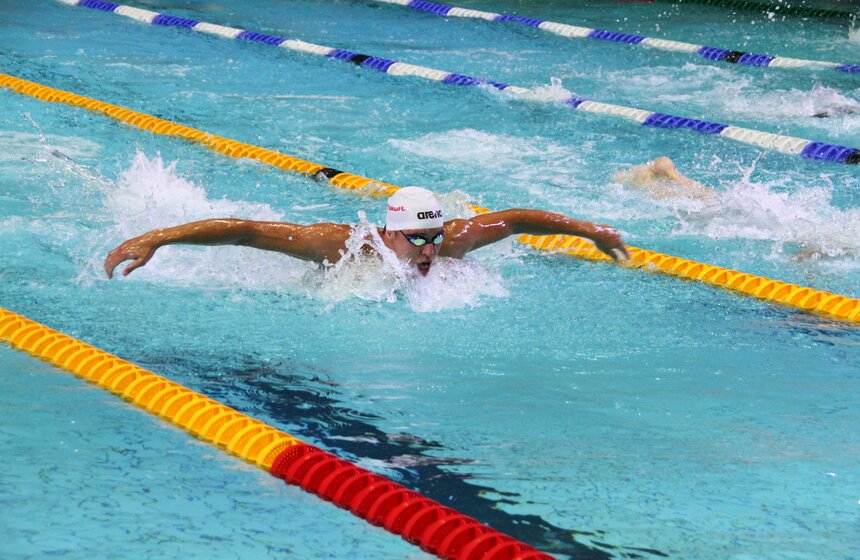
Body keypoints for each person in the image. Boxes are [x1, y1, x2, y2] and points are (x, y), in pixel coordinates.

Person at [104, 186, 630, 279]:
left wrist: (590, 232)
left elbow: (515, 220)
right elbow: (244, 230)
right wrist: (159, 236)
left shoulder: (454, 240)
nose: (430, 250)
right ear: (390, 232)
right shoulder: (344, 245)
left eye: (436, 238)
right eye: (417, 240)